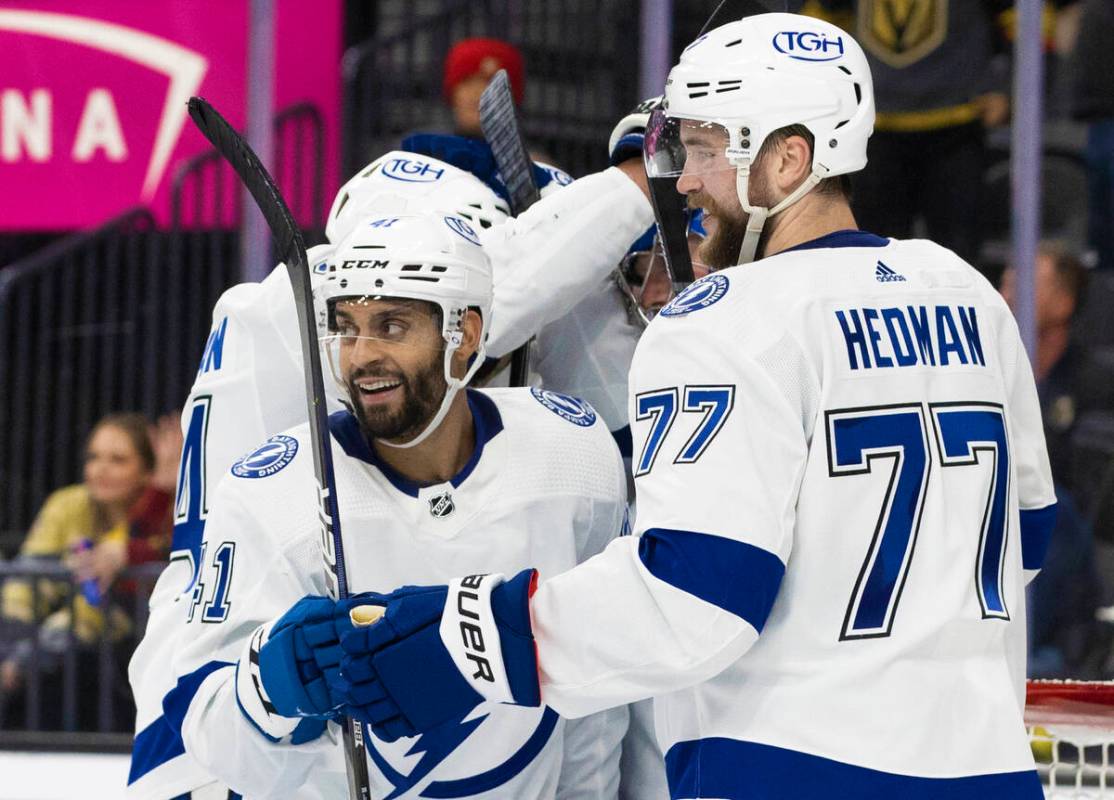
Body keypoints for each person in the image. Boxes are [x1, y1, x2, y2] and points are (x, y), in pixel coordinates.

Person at [318, 13, 1059, 797]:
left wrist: (461, 639)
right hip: (989, 772)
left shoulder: (725, 318)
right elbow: (1028, 536)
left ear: (789, 158)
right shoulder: (965, 291)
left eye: (705, 149)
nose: (683, 179)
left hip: (788, 774)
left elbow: (695, 599)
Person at [126, 146, 655, 799]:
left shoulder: (561, 447)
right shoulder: (286, 313)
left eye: (391, 322)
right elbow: (504, 286)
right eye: (350, 325)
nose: (364, 349)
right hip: (213, 682)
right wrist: (637, 180)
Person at [1, 413, 178, 705]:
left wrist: (158, 496)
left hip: (128, 648)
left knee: (86, 612)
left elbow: (152, 554)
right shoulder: (69, 503)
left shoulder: (165, 509)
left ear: (148, 471)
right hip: (40, 644)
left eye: (118, 460)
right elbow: (25, 583)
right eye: (93, 457)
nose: (100, 470)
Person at [443, 38, 525, 138]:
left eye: (490, 83)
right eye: (467, 82)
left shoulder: (524, 153)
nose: (477, 92)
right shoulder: (426, 148)